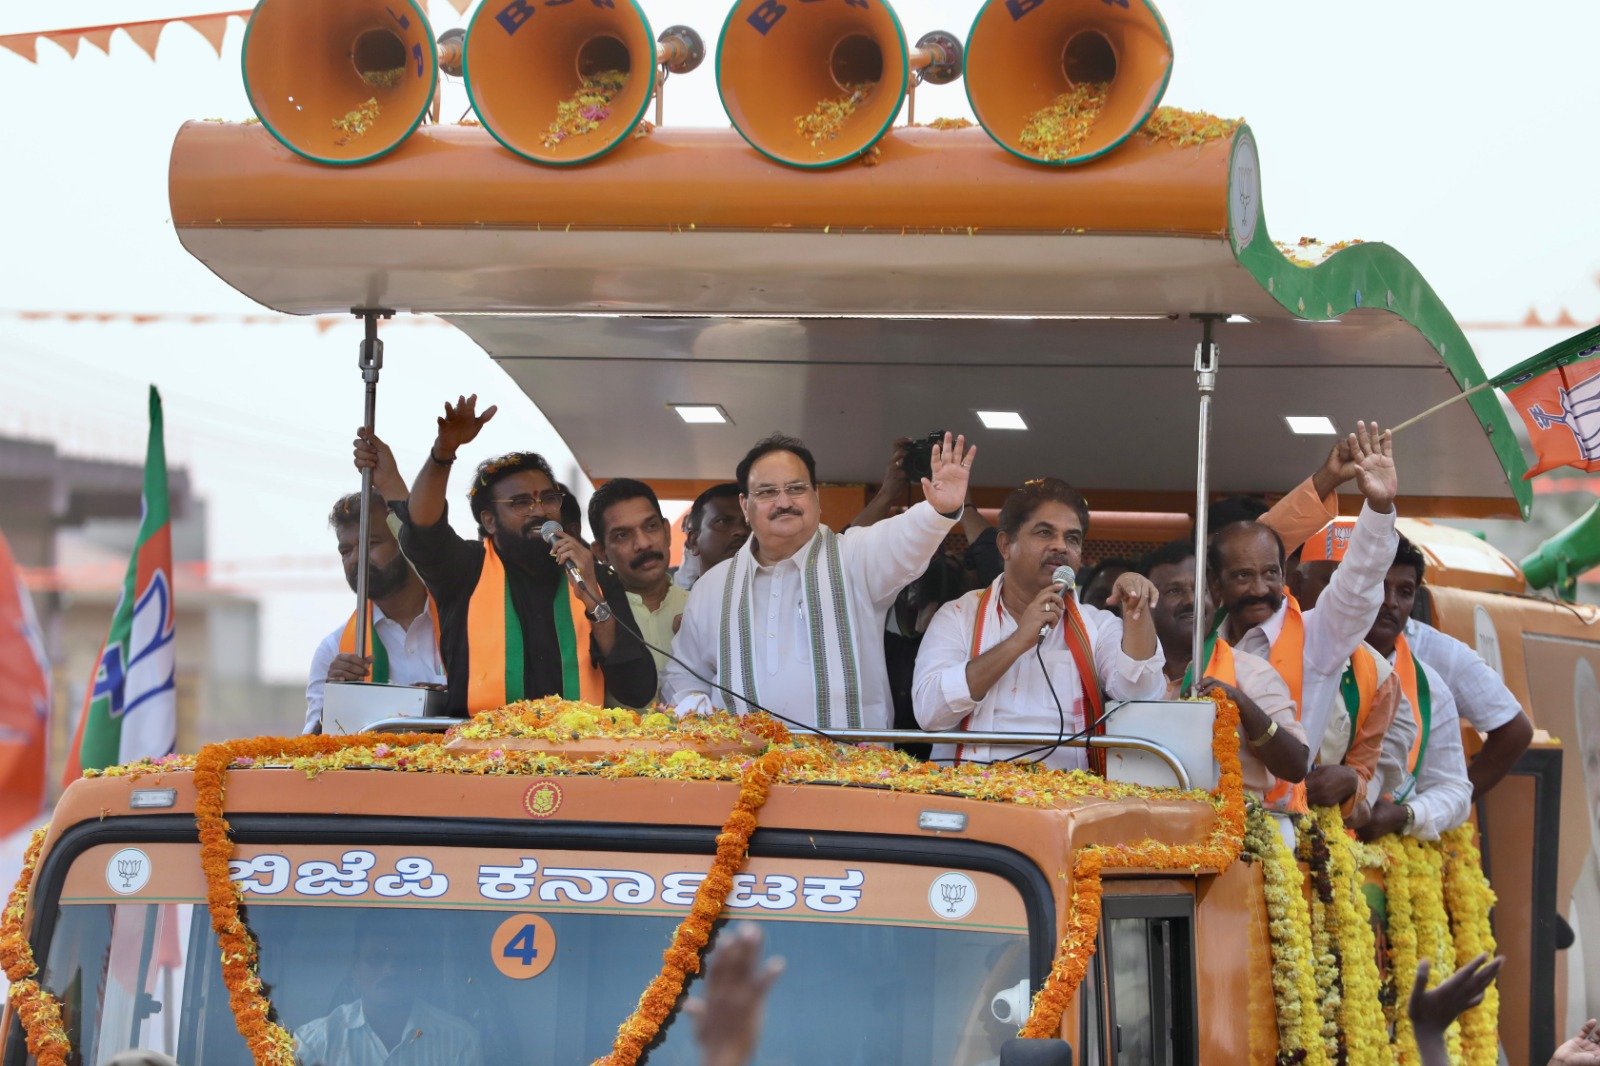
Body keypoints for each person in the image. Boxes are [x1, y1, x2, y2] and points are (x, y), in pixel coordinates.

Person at [353, 396, 654, 715]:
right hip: (481, 757)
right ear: (489, 521)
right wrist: (443, 454)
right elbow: (423, 528)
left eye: (548, 499)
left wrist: (594, 599)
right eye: (521, 503)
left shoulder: (592, 574)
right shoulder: (466, 568)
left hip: (575, 757)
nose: (540, 511)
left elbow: (637, 690)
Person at [663, 431, 975, 731]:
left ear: (817, 496)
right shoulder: (713, 587)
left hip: (847, 776)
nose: (783, 502)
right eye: (767, 492)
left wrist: (938, 511)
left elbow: (902, 538)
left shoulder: (854, 557)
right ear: (746, 505)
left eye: (796, 488)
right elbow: (683, 672)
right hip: (743, 775)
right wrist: (696, 710)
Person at [911, 477, 1166, 772]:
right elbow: (930, 712)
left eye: (1072, 538)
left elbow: (1141, 695)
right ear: (1006, 545)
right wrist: (1019, 641)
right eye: (1045, 532)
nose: (1060, 546)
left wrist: (1137, 613)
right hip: (970, 798)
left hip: (1067, 805)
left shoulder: (1097, 625)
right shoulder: (957, 615)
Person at [1207, 422, 1399, 806]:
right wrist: (1326, 479)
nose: (1260, 588)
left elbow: (1356, 587)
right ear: (1216, 585)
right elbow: (1252, 540)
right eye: (1244, 576)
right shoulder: (1198, 631)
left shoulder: (1317, 636)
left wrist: (1378, 508)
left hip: (1278, 830)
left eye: (1270, 574)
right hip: (1189, 816)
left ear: (1285, 575)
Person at [1316, 534, 1473, 842]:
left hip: (1381, 860)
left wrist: (1405, 816)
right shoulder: (1310, 657)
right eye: (1380, 586)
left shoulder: (1430, 686)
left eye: (1404, 592)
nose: (1390, 602)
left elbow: (1455, 790)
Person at [1141, 538, 1309, 794]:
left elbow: (1296, 766)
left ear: (1215, 597)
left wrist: (1243, 704)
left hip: (1238, 824)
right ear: (1148, 605)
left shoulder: (1251, 673)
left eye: (1200, 590)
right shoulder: (1127, 674)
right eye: (1174, 591)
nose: (1191, 600)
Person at [305, 491, 444, 734]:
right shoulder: (335, 649)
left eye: (371, 544)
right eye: (346, 551)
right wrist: (336, 701)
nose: (356, 559)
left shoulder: (464, 623)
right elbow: (310, 750)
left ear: (406, 544)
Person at [293, 919, 481, 1065]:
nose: (391, 970)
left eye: (403, 960)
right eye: (377, 958)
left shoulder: (459, 1041)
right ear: (355, 969)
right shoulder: (313, 1042)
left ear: (418, 970)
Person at [588, 477, 685, 701]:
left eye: (650, 527)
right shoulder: (594, 618)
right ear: (601, 552)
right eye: (622, 535)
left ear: (667, 532)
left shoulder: (703, 607)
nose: (643, 543)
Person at [677, 483, 749, 592]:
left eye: (748, 522)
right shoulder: (682, 605)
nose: (741, 531)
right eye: (722, 521)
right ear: (694, 542)